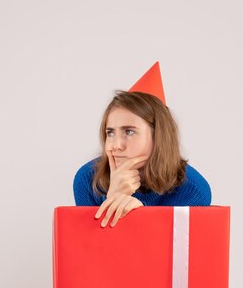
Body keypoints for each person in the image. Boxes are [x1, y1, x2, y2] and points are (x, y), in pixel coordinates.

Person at [73, 62, 211, 227]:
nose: (115, 145)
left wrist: (142, 217)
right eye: (110, 132)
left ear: (158, 135)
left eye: (129, 132)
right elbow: (88, 249)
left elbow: (179, 251)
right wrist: (112, 199)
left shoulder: (193, 190)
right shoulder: (87, 179)